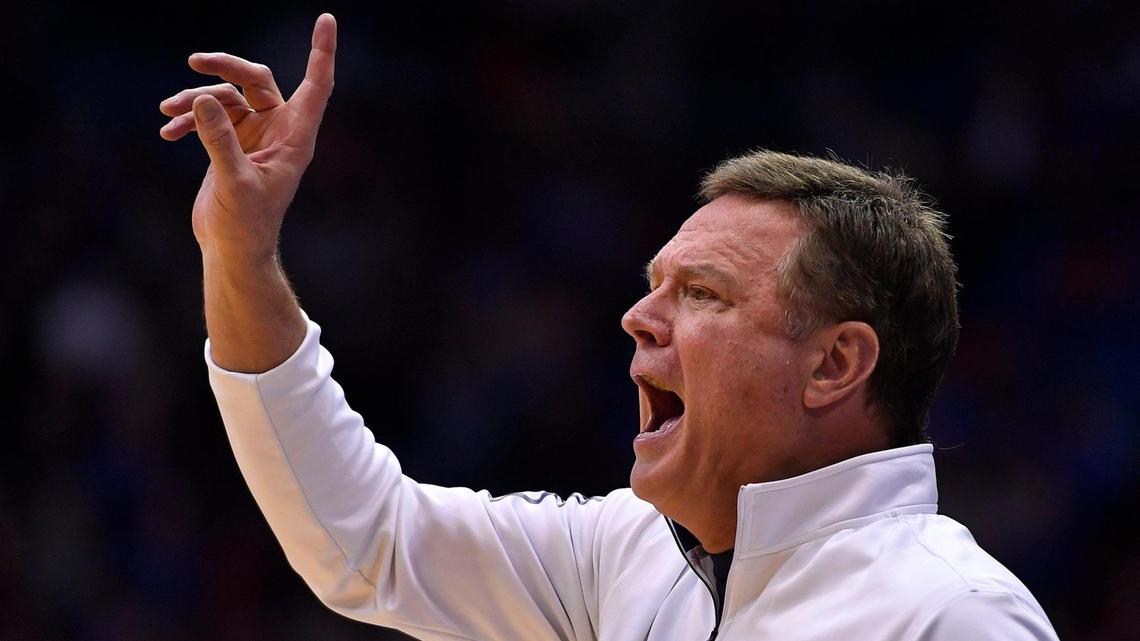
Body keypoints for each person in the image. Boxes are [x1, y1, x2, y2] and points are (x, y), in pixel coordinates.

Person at [161, 14, 1060, 641]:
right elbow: (371, 540)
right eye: (652, 286)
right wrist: (240, 254)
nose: (638, 317)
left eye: (703, 294)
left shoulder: (954, 612)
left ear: (835, 363)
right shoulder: (630, 552)